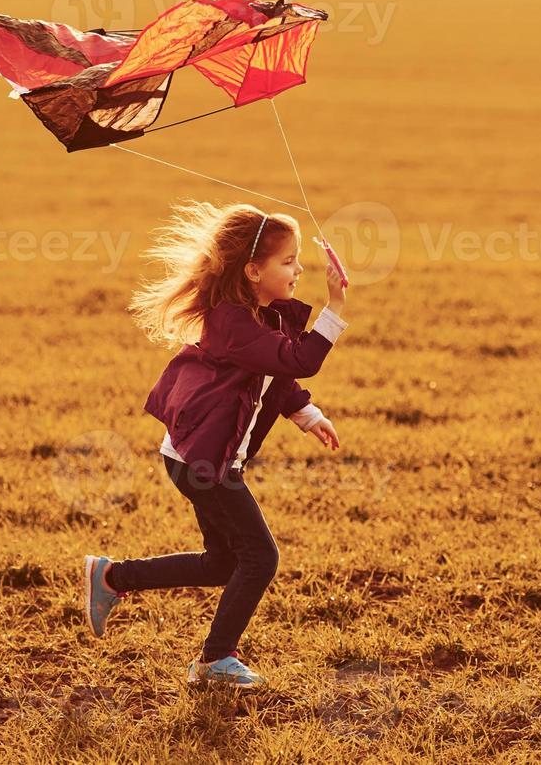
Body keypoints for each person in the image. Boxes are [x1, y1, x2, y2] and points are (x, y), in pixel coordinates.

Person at [82, 199, 349, 689]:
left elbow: (277, 373)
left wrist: (306, 414)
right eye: (288, 262)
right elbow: (298, 360)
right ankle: (215, 660)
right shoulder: (233, 322)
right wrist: (334, 308)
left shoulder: (259, 315)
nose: (299, 270)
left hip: (199, 456)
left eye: (297, 260)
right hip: (204, 461)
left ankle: (112, 578)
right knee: (260, 557)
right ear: (252, 270)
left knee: (224, 562)